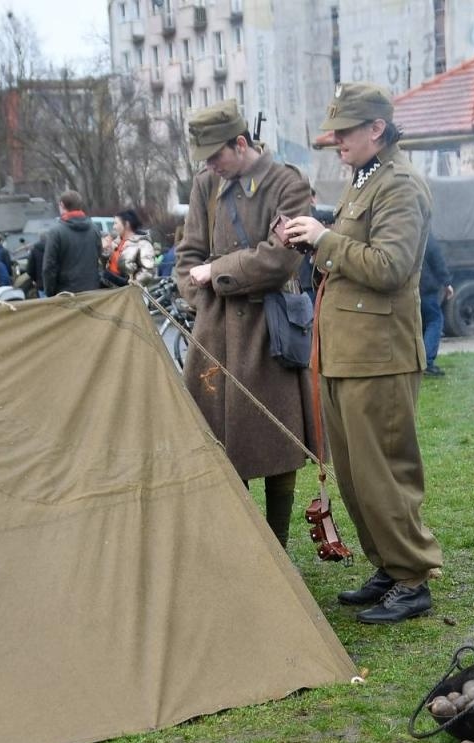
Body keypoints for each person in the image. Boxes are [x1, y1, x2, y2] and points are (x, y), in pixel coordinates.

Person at [282, 82, 444, 624]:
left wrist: (325, 241)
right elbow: (354, 258)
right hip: (347, 353)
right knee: (354, 474)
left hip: (380, 354)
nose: (337, 142)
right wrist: (315, 241)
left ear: (377, 128)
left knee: (384, 472)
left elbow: (389, 267)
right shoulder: (364, 181)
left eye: (345, 132)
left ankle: (412, 576)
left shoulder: (400, 186)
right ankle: (388, 565)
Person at [175, 99, 318, 548]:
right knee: (218, 446)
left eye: (217, 155)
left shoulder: (287, 183)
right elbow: (187, 257)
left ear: (241, 143)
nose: (212, 166)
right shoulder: (205, 186)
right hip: (216, 334)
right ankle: (238, 548)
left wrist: (216, 275)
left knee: (278, 445)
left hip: (270, 329)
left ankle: (277, 551)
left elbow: (280, 260)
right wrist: (203, 299)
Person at [40, 189, 105, 296]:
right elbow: (99, 259)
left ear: (62, 205)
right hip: (92, 291)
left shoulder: (56, 232)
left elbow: (49, 267)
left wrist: (50, 292)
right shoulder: (94, 229)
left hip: (65, 294)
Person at [419, 233, 452, 376]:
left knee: (418, 325)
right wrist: (447, 283)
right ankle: (427, 362)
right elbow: (437, 259)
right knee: (435, 320)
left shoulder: (405, 231)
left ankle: (418, 362)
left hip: (411, 289)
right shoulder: (426, 235)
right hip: (426, 288)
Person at [111, 209, 157, 285]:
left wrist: (134, 283)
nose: (113, 227)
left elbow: (148, 272)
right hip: (111, 289)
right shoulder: (116, 242)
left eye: (116, 223)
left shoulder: (143, 244)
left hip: (128, 292)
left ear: (126, 224)